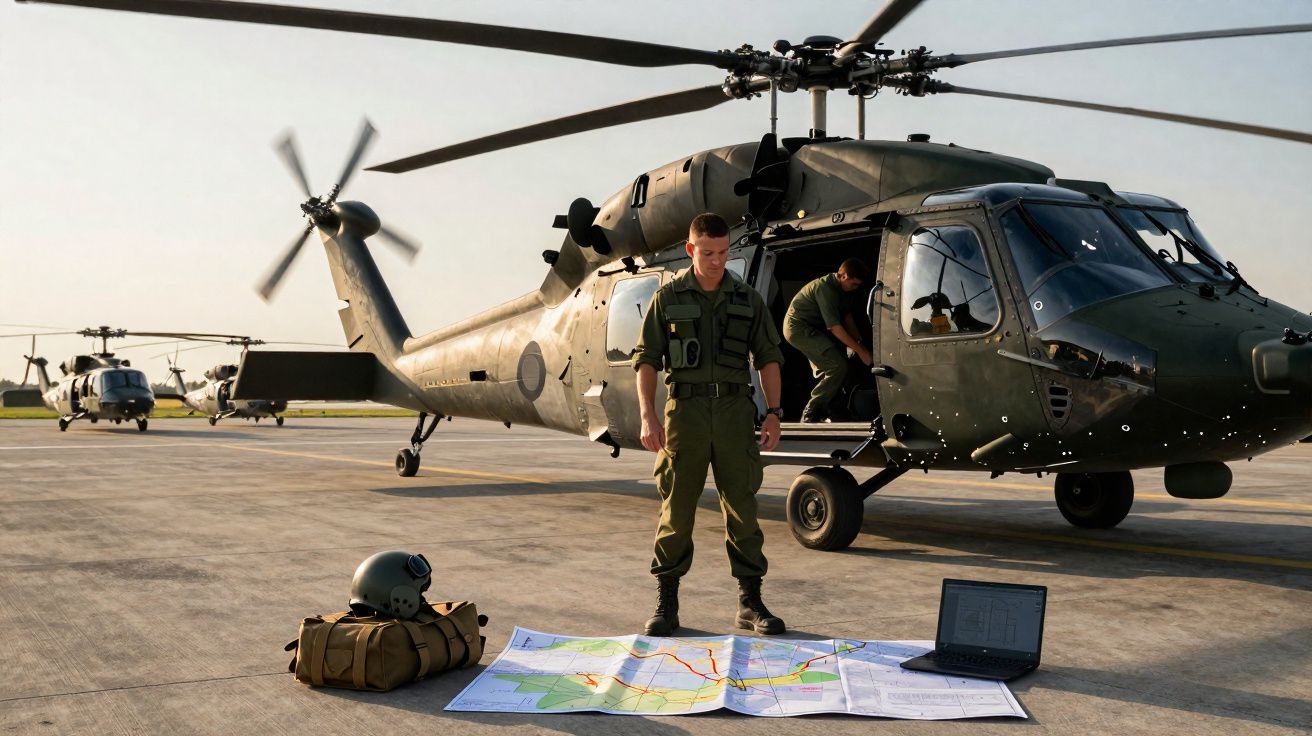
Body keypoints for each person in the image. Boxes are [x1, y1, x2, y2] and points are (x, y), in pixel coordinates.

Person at [633, 212, 787, 637]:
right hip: (685, 413)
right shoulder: (668, 298)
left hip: (736, 414)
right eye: (708, 253)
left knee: (743, 507)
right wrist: (648, 414)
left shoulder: (747, 298)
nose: (718, 261)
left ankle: (750, 602)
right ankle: (667, 602)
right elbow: (646, 361)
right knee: (677, 508)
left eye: (723, 252)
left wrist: (773, 413)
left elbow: (769, 357)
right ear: (691, 250)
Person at [783, 259, 873, 422]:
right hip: (799, 329)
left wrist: (859, 343)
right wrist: (861, 352)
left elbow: (847, 318)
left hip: (815, 330)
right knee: (837, 367)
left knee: (834, 368)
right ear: (842, 276)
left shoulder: (844, 291)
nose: (856, 288)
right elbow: (835, 327)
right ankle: (812, 410)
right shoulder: (825, 288)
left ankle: (831, 410)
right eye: (853, 284)